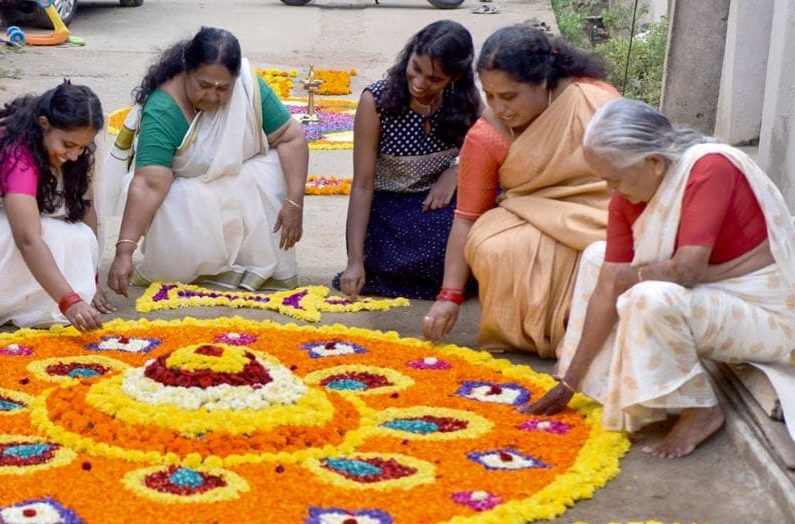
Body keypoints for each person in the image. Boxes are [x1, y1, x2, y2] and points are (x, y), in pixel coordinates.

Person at [521, 100, 795, 459]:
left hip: (770, 315)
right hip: (713, 300)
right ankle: (603, 383)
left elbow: (686, 270)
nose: (610, 189)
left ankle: (701, 409)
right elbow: (606, 290)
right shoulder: (627, 198)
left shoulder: (710, 167)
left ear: (653, 161)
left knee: (647, 296)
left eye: (615, 177)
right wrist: (571, 381)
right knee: (596, 258)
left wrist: (636, 275)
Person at [421, 25, 619, 358]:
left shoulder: (596, 103)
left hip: (602, 212)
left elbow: (636, 177)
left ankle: (586, 336)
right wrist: (449, 296)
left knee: (601, 251)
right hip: (528, 213)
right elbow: (467, 218)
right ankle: (531, 335)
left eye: (509, 96)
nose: (499, 107)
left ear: (543, 82)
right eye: (490, 95)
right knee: (489, 244)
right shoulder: (487, 134)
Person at [103, 26, 309, 296]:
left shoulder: (247, 86)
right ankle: (199, 261)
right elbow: (149, 183)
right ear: (186, 69)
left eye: (223, 88)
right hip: (183, 202)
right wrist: (124, 250)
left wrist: (295, 201)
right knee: (178, 195)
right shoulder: (164, 108)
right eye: (204, 85)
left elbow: (291, 137)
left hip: (236, 183)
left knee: (275, 168)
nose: (213, 96)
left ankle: (248, 260)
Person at [0, 81, 112, 331]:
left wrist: (90, 280)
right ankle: (2, 304)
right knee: (46, 236)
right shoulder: (15, 150)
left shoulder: (74, 147)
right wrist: (70, 301)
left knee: (80, 237)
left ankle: (48, 298)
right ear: (44, 123)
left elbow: (85, 208)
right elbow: (28, 239)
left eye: (81, 147)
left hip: (4, 209)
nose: (74, 155)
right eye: (68, 145)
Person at [335, 20, 480, 300]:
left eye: (435, 80)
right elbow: (363, 185)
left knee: (488, 207)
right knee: (445, 246)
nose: (419, 83)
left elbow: (491, 143)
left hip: (439, 203)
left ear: (455, 78)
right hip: (391, 211)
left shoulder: (462, 99)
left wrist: (456, 170)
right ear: (409, 55)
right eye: (415, 68)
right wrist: (354, 262)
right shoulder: (376, 100)